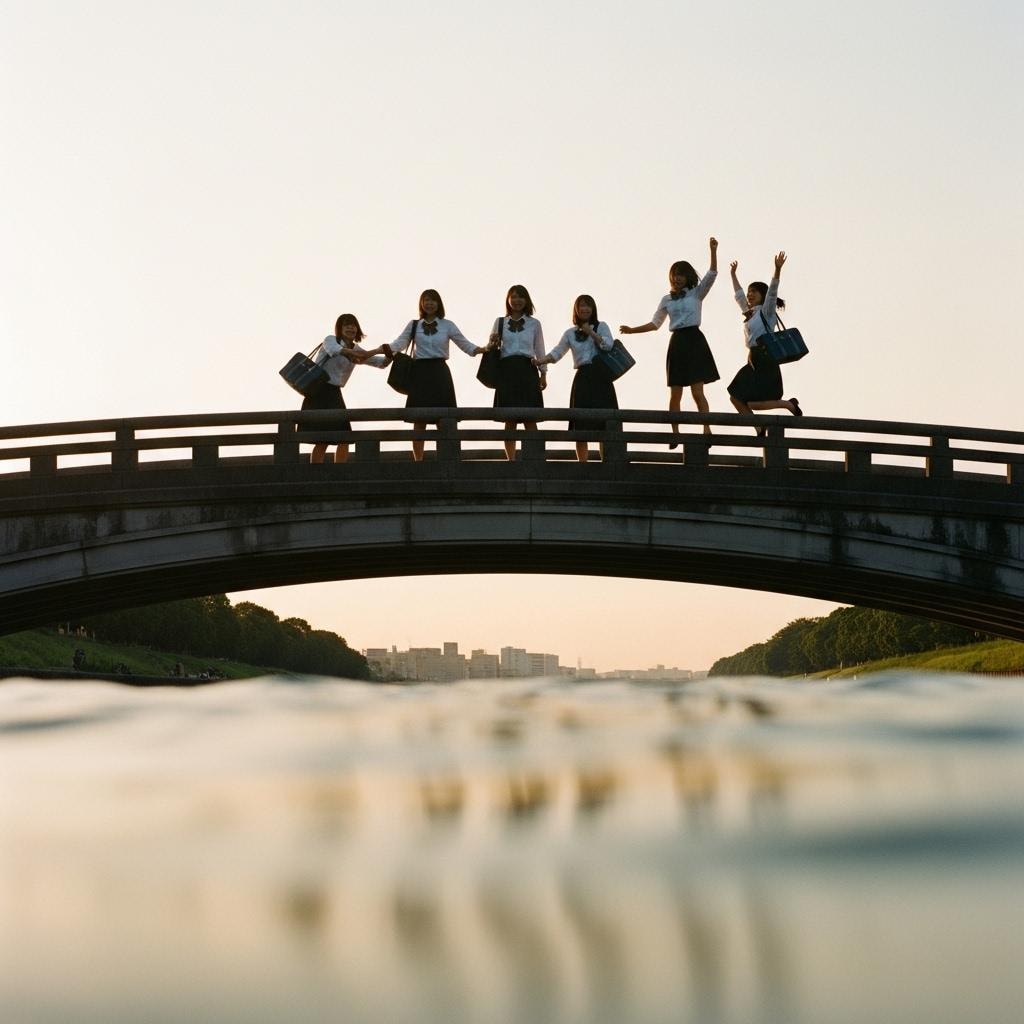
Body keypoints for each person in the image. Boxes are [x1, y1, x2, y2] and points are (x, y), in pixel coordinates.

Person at [620, 236, 720, 443]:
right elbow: (655, 324)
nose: (677, 278)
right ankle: (675, 433)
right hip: (677, 343)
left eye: (681, 275)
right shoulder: (666, 299)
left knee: (697, 391)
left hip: (695, 340)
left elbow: (711, 275)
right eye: (674, 275)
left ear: (688, 276)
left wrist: (712, 251)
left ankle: (707, 429)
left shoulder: (696, 293)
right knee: (675, 392)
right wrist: (632, 330)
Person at [375, 289, 484, 462]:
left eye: (433, 300)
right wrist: (376, 351)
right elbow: (399, 344)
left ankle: (447, 459)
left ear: (439, 304)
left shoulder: (447, 325)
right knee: (419, 420)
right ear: (421, 304)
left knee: (445, 419)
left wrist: (480, 350)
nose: (430, 303)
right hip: (420, 372)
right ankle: (418, 460)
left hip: (440, 372)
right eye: (426, 300)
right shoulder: (414, 325)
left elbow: (464, 343)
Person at [535, 294, 617, 463]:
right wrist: (541, 361)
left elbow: (608, 345)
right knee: (580, 425)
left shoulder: (601, 326)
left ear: (593, 309)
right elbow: (558, 352)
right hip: (582, 377)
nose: (585, 309)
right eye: (581, 306)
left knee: (605, 424)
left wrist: (591, 333)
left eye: (588, 306)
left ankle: (607, 464)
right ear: (576, 310)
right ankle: (583, 464)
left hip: (601, 377)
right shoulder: (570, 333)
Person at [726, 252, 801, 431]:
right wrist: (733, 275)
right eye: (749, 291)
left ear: (762, 295)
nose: (749, 295)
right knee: (735, 396)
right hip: (752, 359)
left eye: (754, 292)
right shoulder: (749, 312)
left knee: (752, 401)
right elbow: (738, 295)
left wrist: (777, 270)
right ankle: (758, 427)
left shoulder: (766, 311)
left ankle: (788, 405)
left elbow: (773, 292)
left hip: (766, 357)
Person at [301, 313, 387, 464]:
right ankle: (313, 474)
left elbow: (380, 363)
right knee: (322, 440)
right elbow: (341, 351)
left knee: (344, 437)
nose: (350, 328)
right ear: (339, 329)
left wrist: (390, 354)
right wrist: (375, 350)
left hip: (334, 393)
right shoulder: (330, 340)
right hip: (319, 391)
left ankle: (339, 471)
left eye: (353, 325)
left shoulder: (355, 348)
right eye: (346, 325)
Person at [488, 284, 547, 461]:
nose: (517, 300)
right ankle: (511, 459)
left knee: (531, 419)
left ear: (527, 300)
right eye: (513, 297)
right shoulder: (500, 322)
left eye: (521, 297)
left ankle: (535, 459)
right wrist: (492, 342)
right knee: (509, 420)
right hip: (506, 370)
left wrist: (543, 373)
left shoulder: (534, 324)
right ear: (508, 300)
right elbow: (491, 348)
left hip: (527, 369)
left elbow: (539, 349)